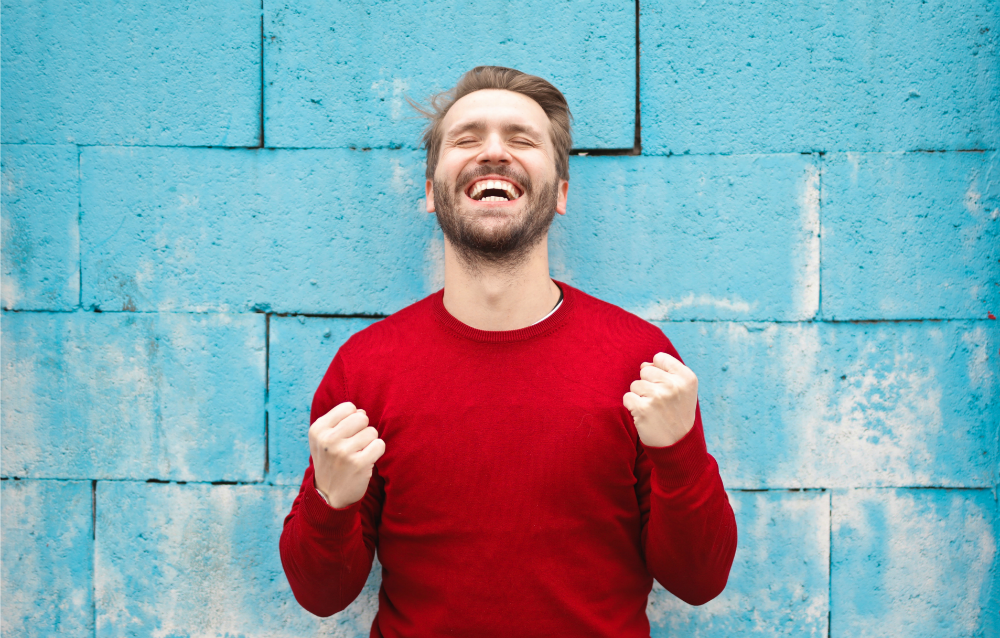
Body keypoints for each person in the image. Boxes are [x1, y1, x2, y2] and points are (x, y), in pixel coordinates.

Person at [279, 66, 737, 637]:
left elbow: (700, 581)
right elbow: (321, 596)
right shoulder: (366, 367)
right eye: (467, 138)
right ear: (430, 192)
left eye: (521, 139)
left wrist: (679, 451)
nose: (493, 152)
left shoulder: (640, 361)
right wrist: (331, 503)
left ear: (561, 192)